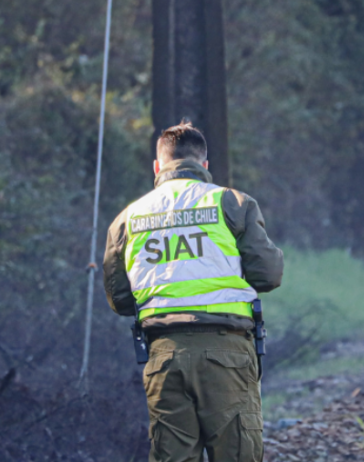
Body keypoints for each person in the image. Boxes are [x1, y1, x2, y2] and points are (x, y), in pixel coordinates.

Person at [102, 121, 284, 462]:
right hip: (226, 351)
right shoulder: (232, 203)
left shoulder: (127, 219)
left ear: (157, 167)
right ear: (204, 165)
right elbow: (269, 275)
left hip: (163, 356)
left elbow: (121, 300)